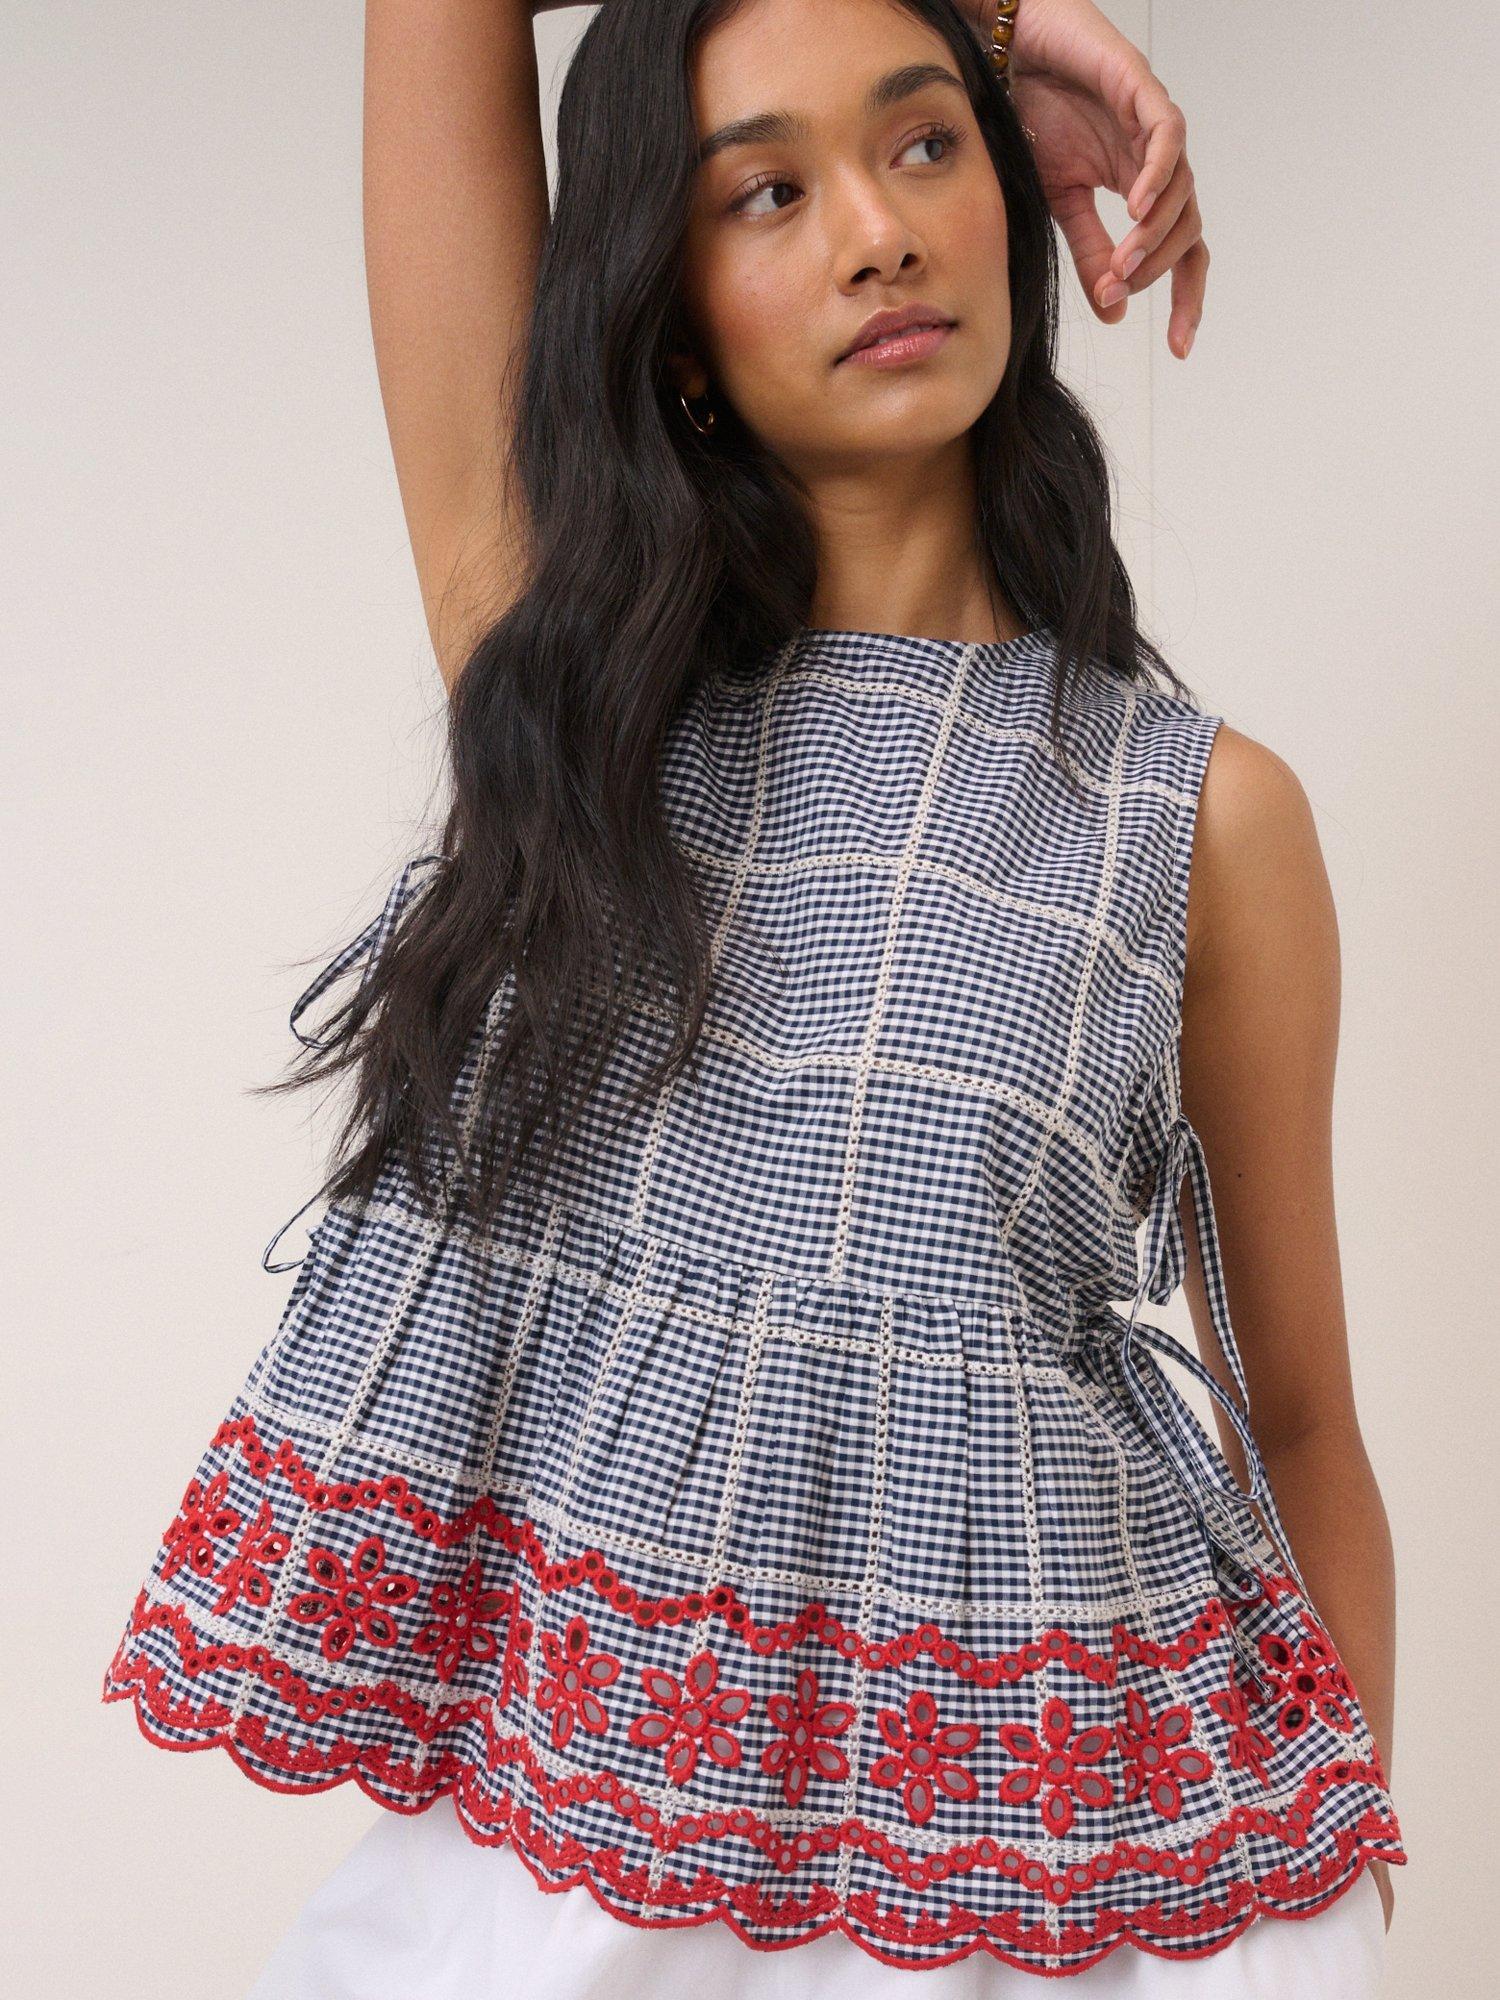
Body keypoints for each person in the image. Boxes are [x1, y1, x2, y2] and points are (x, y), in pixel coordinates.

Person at [102, 1, 1408, 1990]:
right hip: (560, 1902)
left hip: (1065, 1911)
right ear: (675, 325)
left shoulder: (1202, 813)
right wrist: (986, 16)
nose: (880, 235)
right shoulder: (573, 698)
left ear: (1005, 208)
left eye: (927, 145)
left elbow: (1297, 1419)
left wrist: (1350, 1870)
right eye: (769, 193)